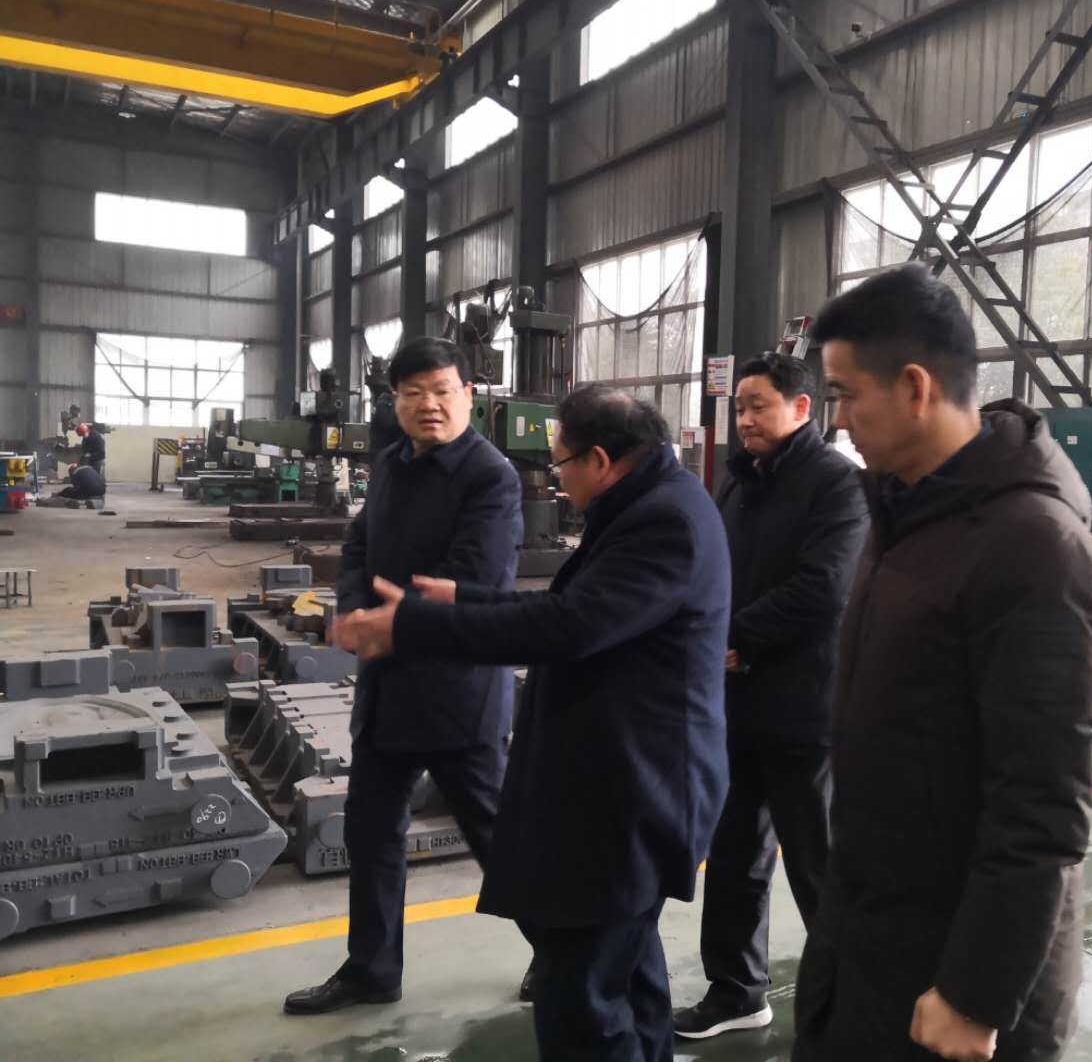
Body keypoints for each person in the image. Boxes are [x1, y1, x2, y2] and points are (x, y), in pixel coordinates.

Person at [334, 385, 731, 1062]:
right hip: (619, 783)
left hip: (633, 793)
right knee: (628, 981)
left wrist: (414, 625)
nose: (557, 479)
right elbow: (575, 605)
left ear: (600, 460)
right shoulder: (648, 502)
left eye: (561, 464)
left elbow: (568, 626)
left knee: (580, 999)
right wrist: (467, 600)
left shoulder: (665, 521)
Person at [793, 264, 1092, 1062]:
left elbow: (1041, 803)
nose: (838, 421)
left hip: (953, 968)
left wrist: (977, 992)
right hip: (873, 928)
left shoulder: (1034, 547)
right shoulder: (905, 513)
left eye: (844, 396)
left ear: (915, 388)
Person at [284, 337, 523, 1016]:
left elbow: (475, 579)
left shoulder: (490, 477)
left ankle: (564, 951)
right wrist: (353, 609)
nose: (429, 405)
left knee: (497, 837)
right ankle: (372, 970)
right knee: (371, 833)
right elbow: (358, 547)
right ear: (395, 401)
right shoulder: (390, 462)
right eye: (414, 393)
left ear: (469, 396)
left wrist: (393, 621)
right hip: (387, 686)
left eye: (442, 391)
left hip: (456, 689)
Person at [674, 352, 867, 1040]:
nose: (746, 419)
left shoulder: (837, 484)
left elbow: (825, 586)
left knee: (818, 864)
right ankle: (735, 990)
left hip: (804, 707)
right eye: (739, 407)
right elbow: (712, 568)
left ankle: (854, 1005)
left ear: (801, 407)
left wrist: (737, 637)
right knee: (732, 856)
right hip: (736, 703)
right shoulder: (738, 480)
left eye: (758, 405)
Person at [37, 463, 106, 507]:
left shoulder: (75, 472)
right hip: (101, 491)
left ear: (71, 471)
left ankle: (54, 497)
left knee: (68, 490)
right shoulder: (90, 468)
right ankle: (94, 500)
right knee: (82, 490)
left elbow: (75, 487)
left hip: (89, 491)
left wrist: (62, 494)